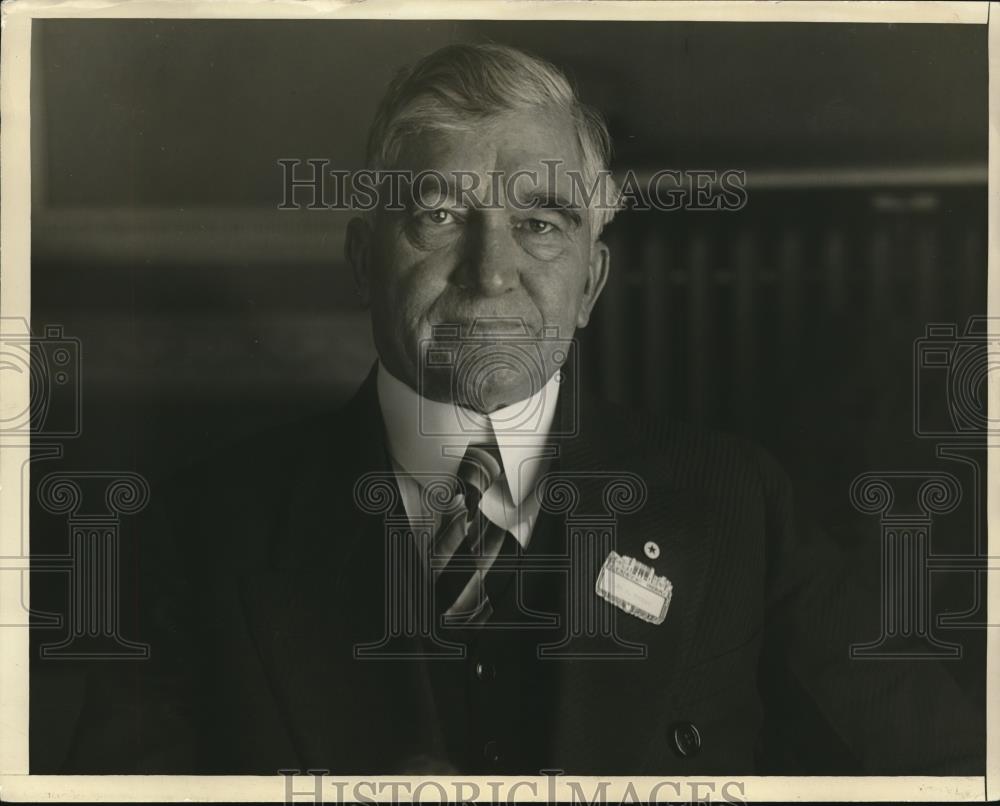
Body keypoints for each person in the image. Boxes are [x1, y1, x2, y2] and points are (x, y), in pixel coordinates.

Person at [48, 42, 983, 776]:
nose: (490, 273)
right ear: (363, 256)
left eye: (540, 223)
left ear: (592, 280)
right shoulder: (199, 529)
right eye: (441, 214)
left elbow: (944, 773)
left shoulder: (738, 503)